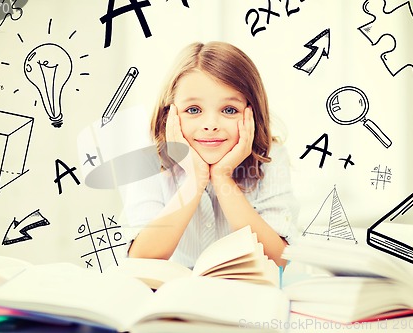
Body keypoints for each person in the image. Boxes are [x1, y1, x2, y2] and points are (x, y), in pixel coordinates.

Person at [123, 41, 298, 268]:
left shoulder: (271, 156)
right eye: (193, 110)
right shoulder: (150, 156)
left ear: (251, 113)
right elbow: (140, 258)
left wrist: (222, 177)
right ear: (170, 115)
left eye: (229, 110)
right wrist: (195, 180)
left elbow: (278, 259)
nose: (211, 124)